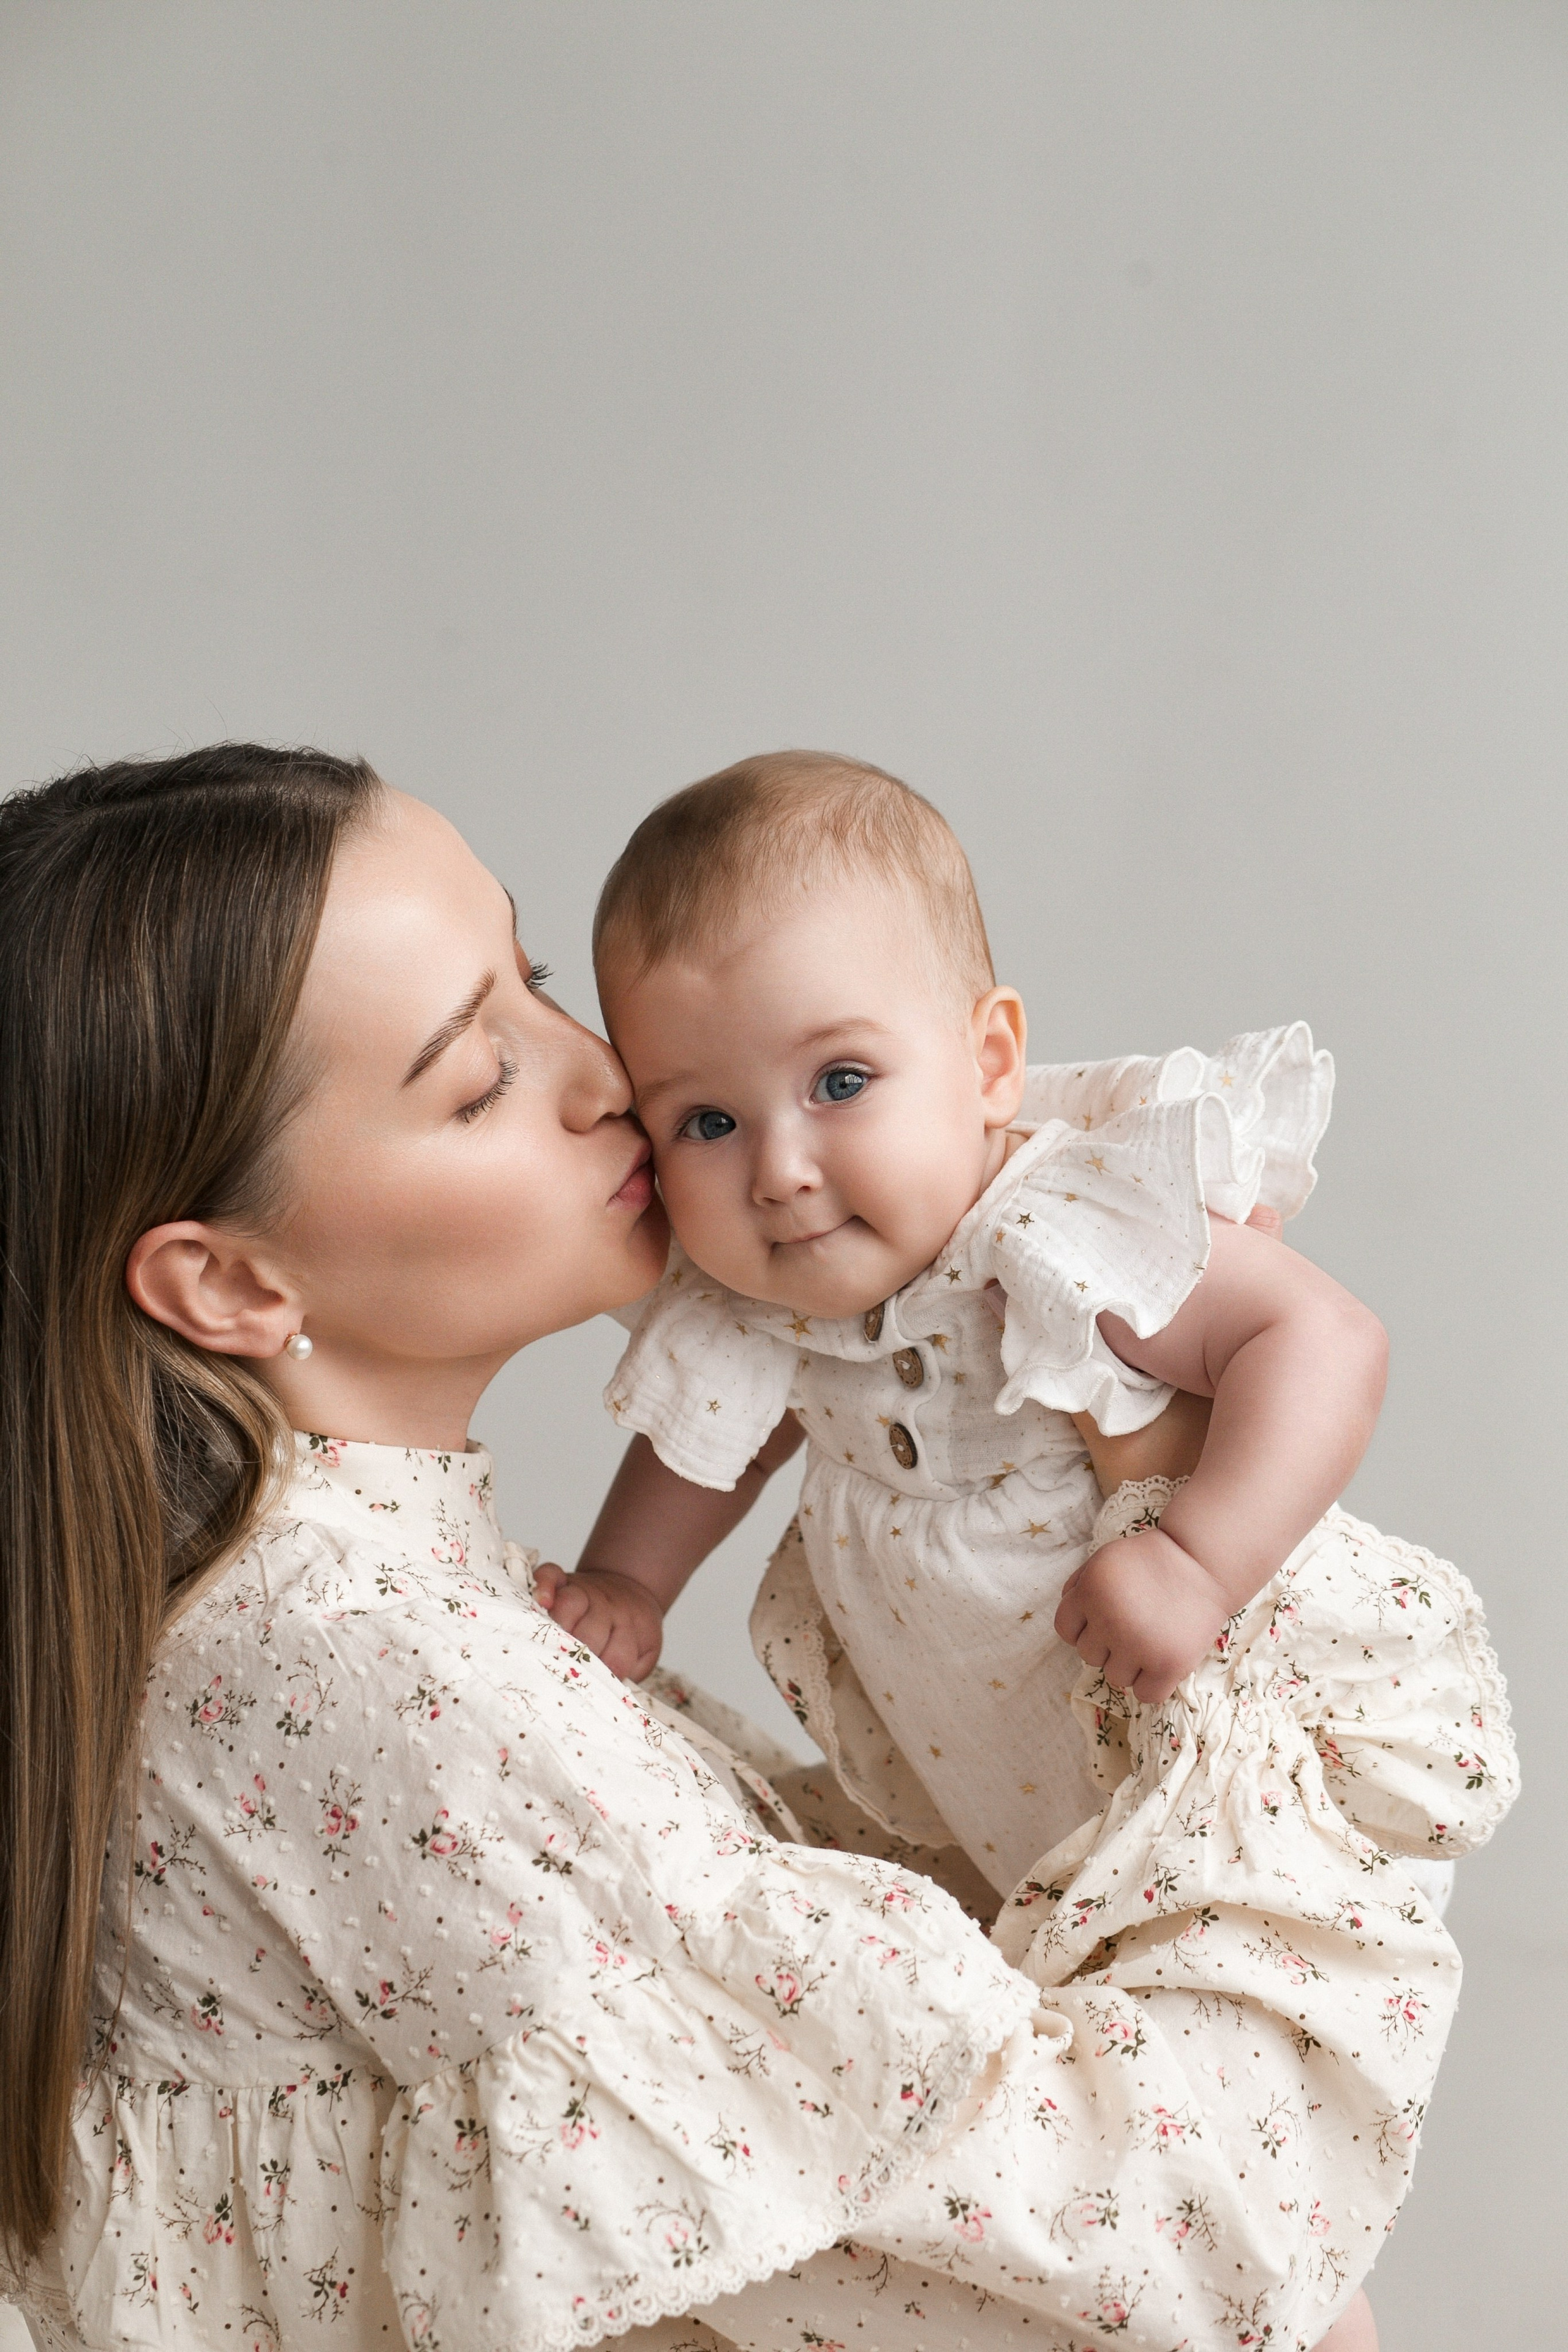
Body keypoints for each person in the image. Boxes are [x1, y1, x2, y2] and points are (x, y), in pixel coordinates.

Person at [0, 746, 1486, 2352]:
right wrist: (1246, 1690)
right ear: (230, 1292)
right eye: (477, 1076)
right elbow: (1161, 2256)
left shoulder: (329, 1599)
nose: (601, 1075)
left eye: (537, 979)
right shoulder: (364, 1673)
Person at [543, 751, 1512, 1898]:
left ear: (990, 1061)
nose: (781, 1171)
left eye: (840, 1082)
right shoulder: (770, 1301)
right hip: (1001, 1791)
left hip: (1208, 1771)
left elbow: (1321, 1339)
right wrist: (629, 1583)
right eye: (707, 1119)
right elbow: (723, 1439)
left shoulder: (1054, 1232)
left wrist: (1198, 1563)